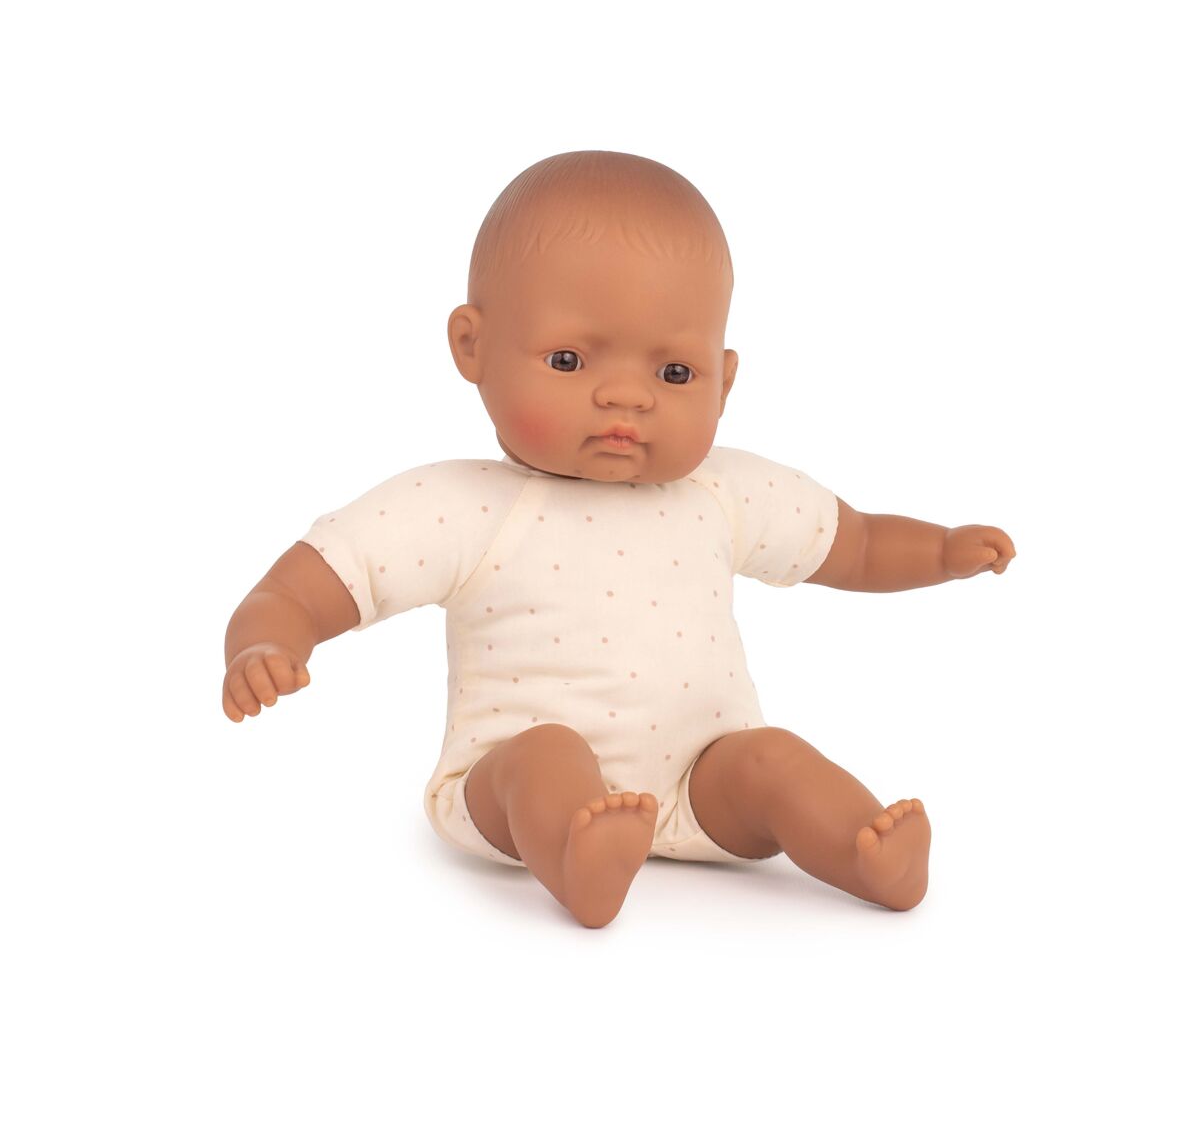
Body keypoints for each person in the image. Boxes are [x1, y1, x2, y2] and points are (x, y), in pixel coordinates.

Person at [222, 150, 1015, 928]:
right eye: (569, 360)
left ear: (724, 380)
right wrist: (266, 644)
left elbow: (858, 545)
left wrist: (942, 551)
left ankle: (864, 853)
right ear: (472, 346)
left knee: (771, 758)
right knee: (546, 755)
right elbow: (309, 585)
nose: (627, 397)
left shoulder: (721, 491)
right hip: (506, 784)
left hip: (704, 779)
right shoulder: (461, 506)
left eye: (675, 375)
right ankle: (574, 854)